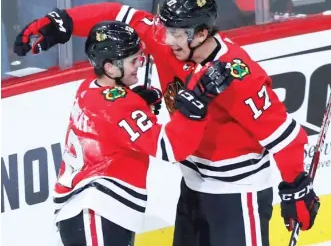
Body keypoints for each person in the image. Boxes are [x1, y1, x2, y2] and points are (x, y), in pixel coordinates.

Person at [14, 0, 320, 245]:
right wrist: (64, 21)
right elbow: (119, 14)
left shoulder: (238, 75)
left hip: (236, 195)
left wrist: (295, 187)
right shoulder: (168, 40)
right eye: (168, 29)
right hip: (193, 185)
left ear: (201, 33)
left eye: (177, 33)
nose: (167, 38)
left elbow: (285, 135)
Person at [50, 20, 229, 246]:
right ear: (110, 67)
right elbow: (171, 148)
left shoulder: (89, 88)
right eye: (133, 61)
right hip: (96, 213)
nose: (139, 66)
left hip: (91, 213)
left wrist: (137, 102)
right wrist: (196, 105)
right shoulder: (120, 104)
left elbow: (116, 128)